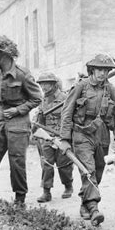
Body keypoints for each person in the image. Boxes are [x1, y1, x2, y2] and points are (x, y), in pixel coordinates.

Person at [60, 54, 115, 226]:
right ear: (92, 70)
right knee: (88, 170)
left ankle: (85, 203)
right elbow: (67, 112)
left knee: (99, 170)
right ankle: (94, 208)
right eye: (100, 69)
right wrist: (65, 138)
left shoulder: (110, 90)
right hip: (82, 133)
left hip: (102, 134)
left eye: (106, 70)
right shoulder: (81, 86)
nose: (103, 73)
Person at [0, 36, 42, 206]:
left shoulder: (22, 74)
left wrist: (17, 110)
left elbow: (37, 98)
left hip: (19, 123)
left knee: (17, 162)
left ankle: (19, 200)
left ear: (4, 54)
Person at [34, 72, 73, 203]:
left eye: (46, 84)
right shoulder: (42, 100)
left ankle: (68, 186)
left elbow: (69, 118)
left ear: (53, 84)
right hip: (47, 136)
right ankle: (46, 192)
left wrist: (65, 136)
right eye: (41, 84)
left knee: (64, 164)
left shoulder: (65, 98)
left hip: (61, 136)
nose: (43, 87)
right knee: (47, 164)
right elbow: (40, 120)